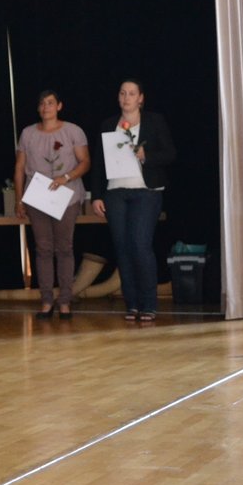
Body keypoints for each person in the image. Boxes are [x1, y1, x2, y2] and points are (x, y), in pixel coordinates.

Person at [90, 79, 176, 324]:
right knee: (123, 248)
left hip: (145, 192)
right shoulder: (108, 125)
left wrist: (146, 155)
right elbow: (99, 163)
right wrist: (97, 195)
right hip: (115, 193)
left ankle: (149, 304)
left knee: (139, 244)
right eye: (122, 93)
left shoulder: (154, 121)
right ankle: (132, 303)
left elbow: (170, 154)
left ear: (141, 98)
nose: (126, 97)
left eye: (131, 93)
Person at [13, 89, 90, 320]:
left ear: (59, 106)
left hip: (66, 198)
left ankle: (65, 301)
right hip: (37, 199)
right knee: (43, 249)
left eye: (50, 103)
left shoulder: (73, 131)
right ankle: (46, 300)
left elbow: (85, 162)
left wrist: (66, 177)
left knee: (64, 248)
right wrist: (19, 199)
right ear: (38, 108)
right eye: (42, 104)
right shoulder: (28, 133)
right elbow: (19, 167)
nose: (45, 107)